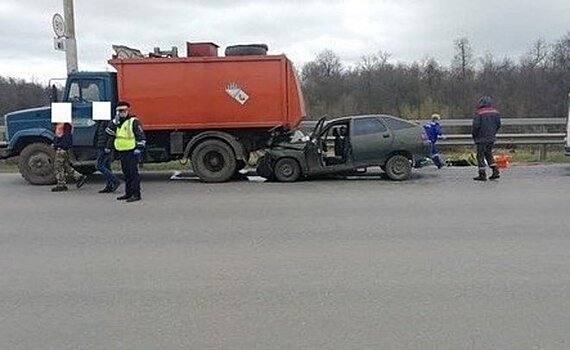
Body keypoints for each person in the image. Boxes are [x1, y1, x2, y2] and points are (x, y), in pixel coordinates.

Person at [106, 101, 146, 202]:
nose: (121, 113)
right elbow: (109, 132)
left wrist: (139, 149)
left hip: (131, 150)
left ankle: (136, 194)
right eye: (119, 111)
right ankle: (128, 193)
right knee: (126, 173)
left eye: (123, 111)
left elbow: (140, 136)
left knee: (133, 174)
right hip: (122, 150)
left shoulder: (133, 121)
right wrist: (114, 122)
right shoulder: (117, 122)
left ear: (127, 111)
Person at [472, 96, 502, 181]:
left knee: (480, 156)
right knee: (489, 154)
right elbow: (498, 125)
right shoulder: (496, 112)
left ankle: (482, 174)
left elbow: (476, 126)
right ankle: (495, 170)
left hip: (481, 138)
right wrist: (493, 133)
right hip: (491, 137)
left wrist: (474, 136)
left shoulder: (479, 113)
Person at [51, 122, 86, 192]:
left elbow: (66, 138)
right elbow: (59, 136)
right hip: (62, 148)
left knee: (58, 166)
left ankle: (61, 185)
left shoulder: (66, 125)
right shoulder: (61, 124)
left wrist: (58, 145)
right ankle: (79, 177)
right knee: (65, 165)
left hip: (62, 149)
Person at [95, 119, 120, 193]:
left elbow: (111, 135)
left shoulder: (107, 121)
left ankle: (115, 181)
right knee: (106, 166)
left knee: (99, 166)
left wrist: (108, 147)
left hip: (104, 146)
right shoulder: (102, 121)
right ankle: (109, 185)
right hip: (102, 145)